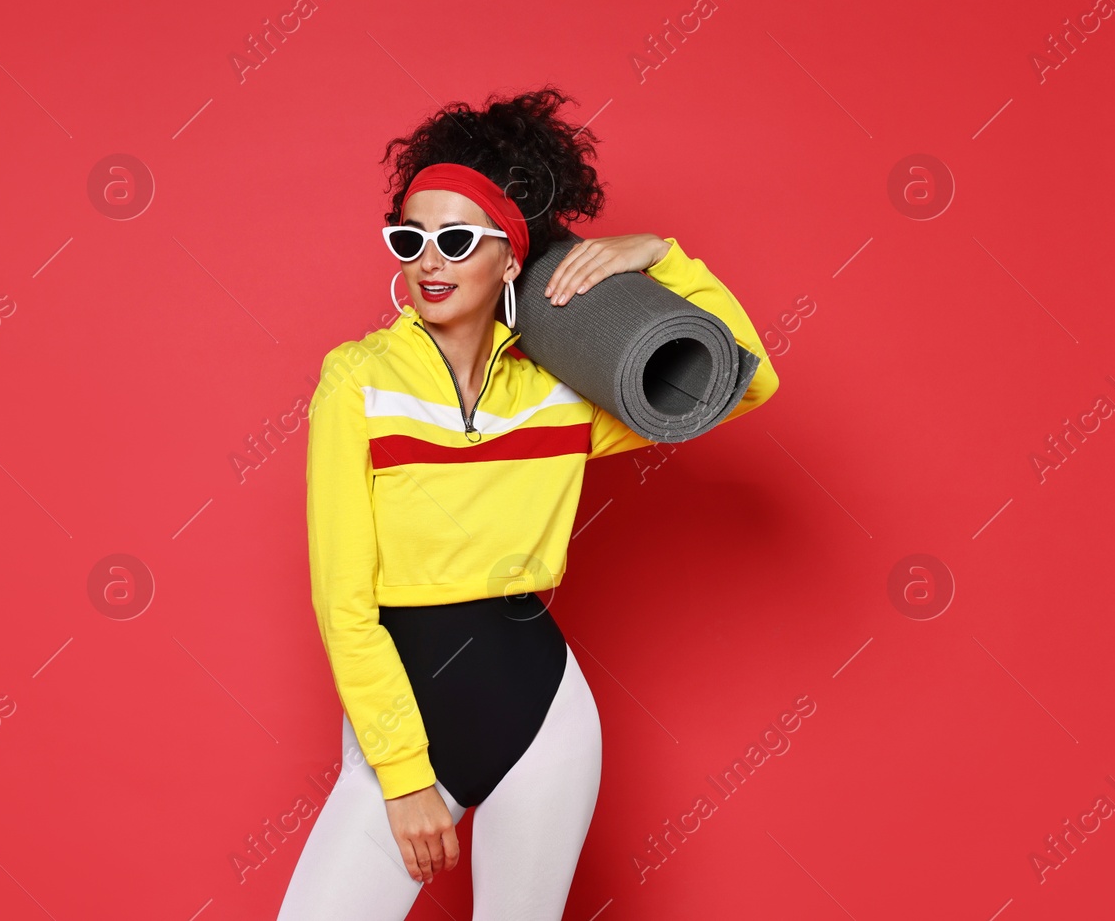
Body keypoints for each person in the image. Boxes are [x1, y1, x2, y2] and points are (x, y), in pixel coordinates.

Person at [275, 86, 780, 920]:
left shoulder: (559, 394)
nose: (429, 261)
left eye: (456, 239)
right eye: (411, 239)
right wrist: (403, 778)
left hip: (543, 713)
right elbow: (343, 600)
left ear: (510, 257)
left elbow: (745, 381)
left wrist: (661, 256)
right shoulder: (356, 379)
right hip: (407, 715)